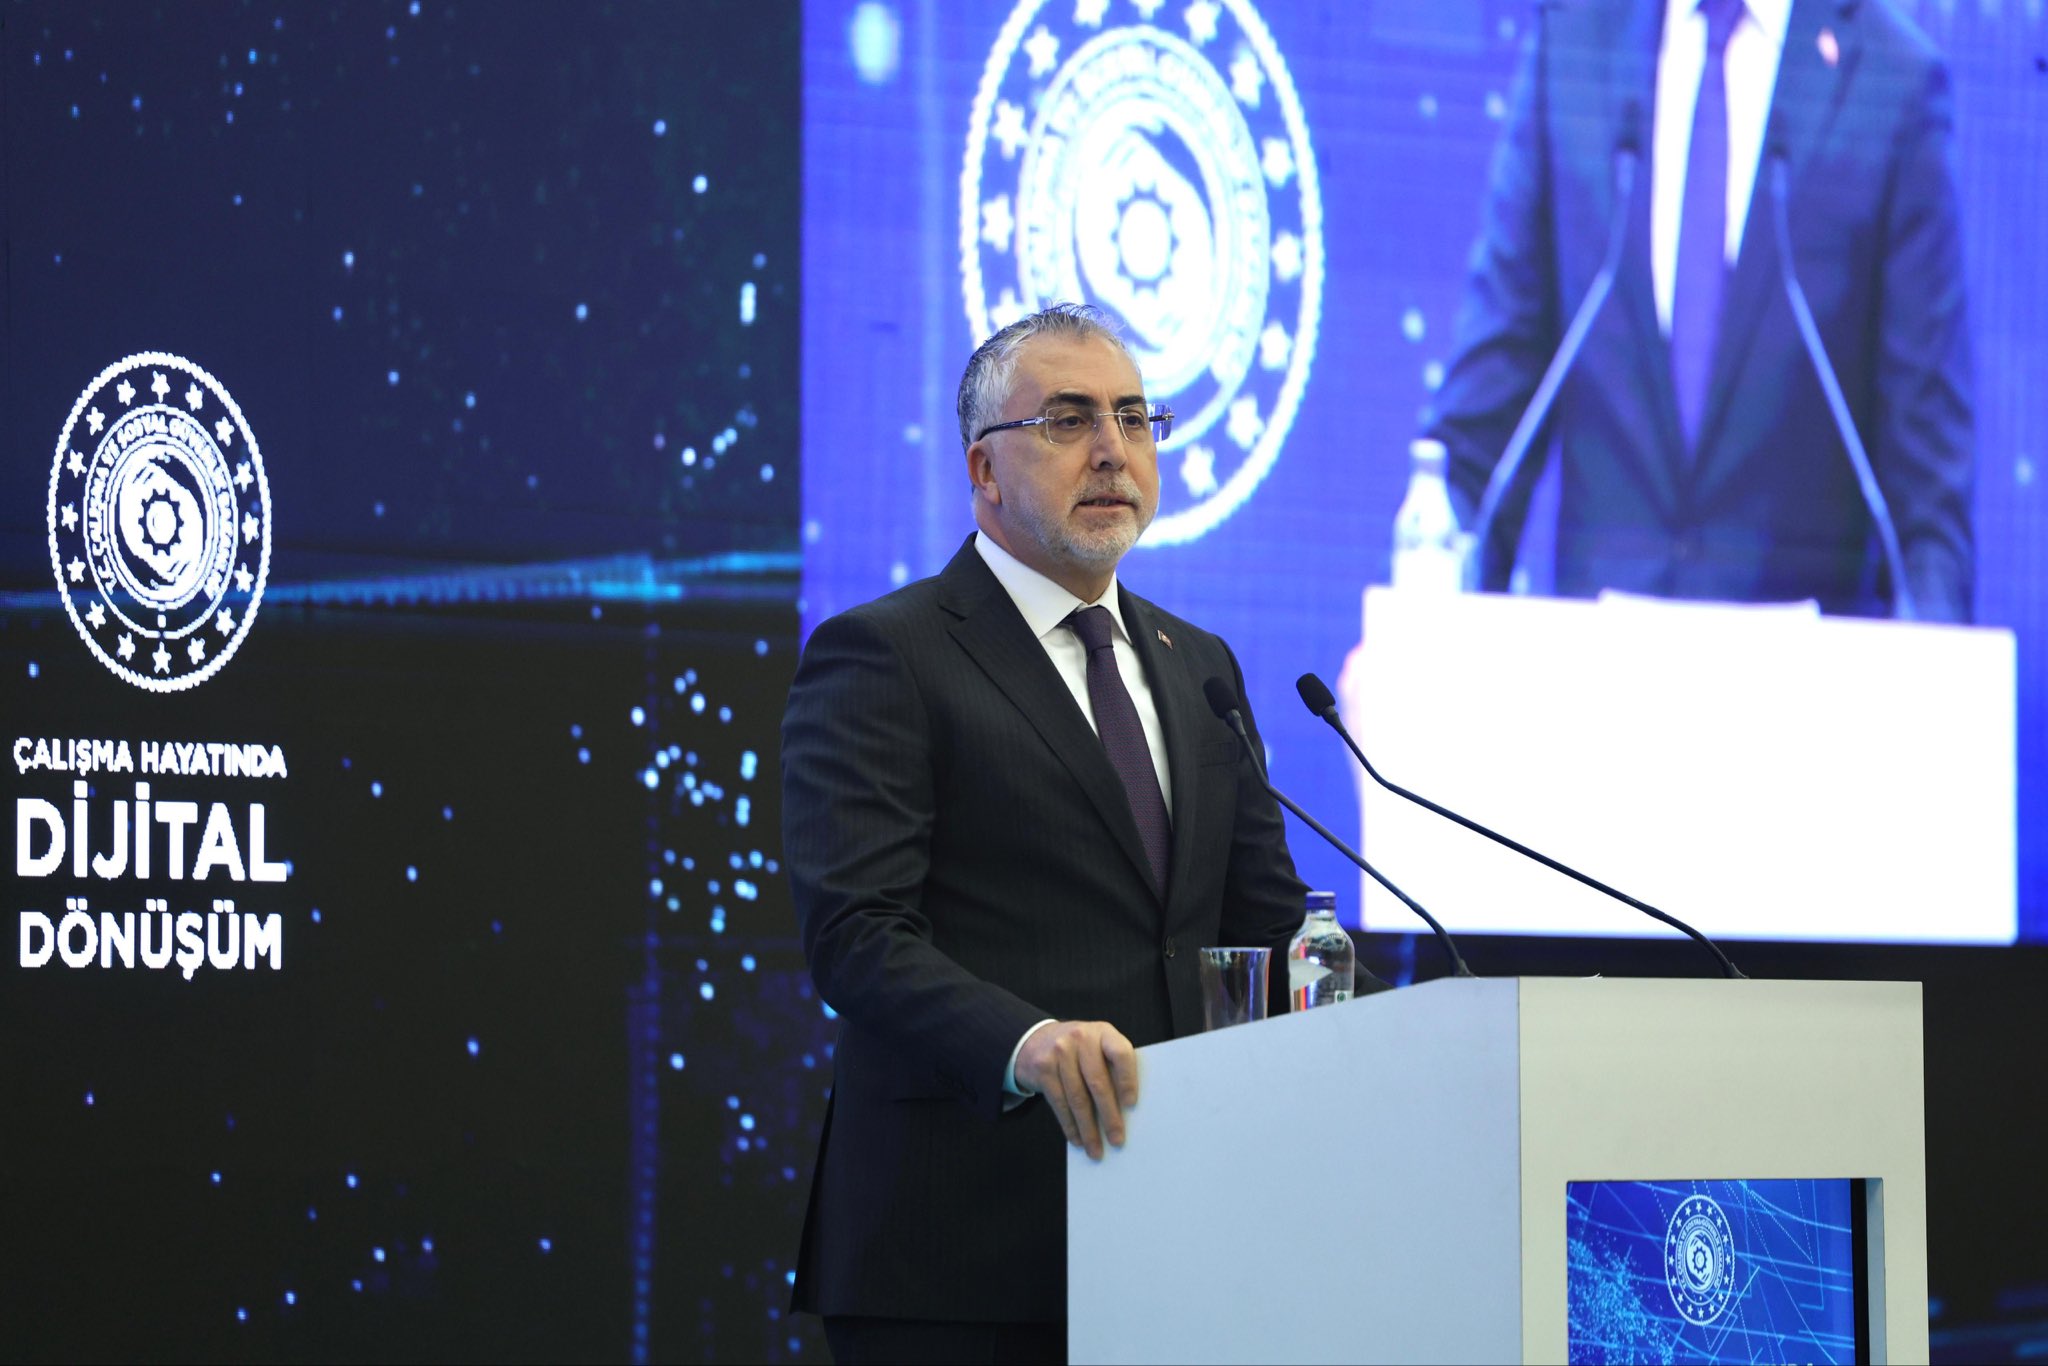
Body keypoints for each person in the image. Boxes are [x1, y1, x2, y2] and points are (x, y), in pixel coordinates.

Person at [783, 303, 1318, 1364]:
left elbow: (1269, 926)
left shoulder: (1198, 665)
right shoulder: (886, 655)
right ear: (983, 471)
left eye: (1133, 417)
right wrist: (1026, 1043)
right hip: (959, 1255)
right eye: (1069, 420)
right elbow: (857, 935)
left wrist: (1443, 1023)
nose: (1112, 449)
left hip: (1181, 1242)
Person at [1427, 0, 1974, 619]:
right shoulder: (1575, 39)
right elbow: (1479, 438)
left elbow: (1927, 505)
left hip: (1802, 671)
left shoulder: (1894, 78)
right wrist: (1417, 630)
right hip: (1596, 668)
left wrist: (1933, 652)